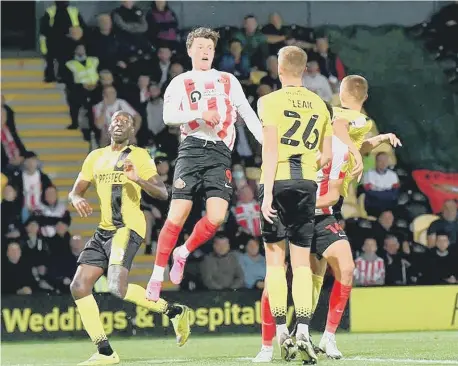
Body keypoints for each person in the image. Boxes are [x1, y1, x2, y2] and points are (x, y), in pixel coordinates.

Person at [253, 131, 402, 362]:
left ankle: (327, 336)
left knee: (346, 267)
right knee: (277, 277)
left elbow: (334, 193)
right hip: (286, 215)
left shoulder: (339, 148)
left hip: (321, 219)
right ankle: (266, 346)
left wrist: (381, 138)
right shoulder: (292, 144)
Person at [146, 27, 263, 301]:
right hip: (192, 147)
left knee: (217, 217)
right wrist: (200, 112)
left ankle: (183, 252)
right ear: (189, 51)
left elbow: (246, 113)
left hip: (221, 151)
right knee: (177, 214)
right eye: (199, 47)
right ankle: (155, 276)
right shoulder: (180, 82)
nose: (205, 51)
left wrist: (266, 145)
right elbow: (168, 117)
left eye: (209, 47)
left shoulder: (227, 80)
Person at [68, 111, 190, 365]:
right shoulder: (95, 157)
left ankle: (172, 311)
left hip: (128, 227)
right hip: (104, 230)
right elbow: (76, 190)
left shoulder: (139, 156)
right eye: (116, 120)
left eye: (126, 121)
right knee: (78, 287)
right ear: (108, 126)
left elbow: (162, 192)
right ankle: (106, 352)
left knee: (115, 287)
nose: (120, 123)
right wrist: (77, 198)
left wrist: (138, 179)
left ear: (132, 130)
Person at [258, 45, 332, 364]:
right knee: (302, 263)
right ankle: (302, 328)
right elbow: (326, 156)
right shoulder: (320, 104)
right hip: (306, 185)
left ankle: (280, 333)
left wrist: (265, 195)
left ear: (279, 68)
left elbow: (271, 150)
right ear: (304, 70)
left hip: (277, 181)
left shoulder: (268, 101)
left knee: (276, 262)